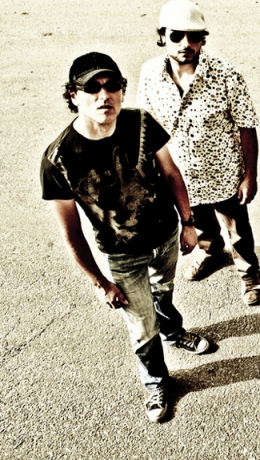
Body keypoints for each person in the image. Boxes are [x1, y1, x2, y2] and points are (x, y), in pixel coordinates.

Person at [41, 52, 211, 423]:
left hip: (166, 234)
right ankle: (156, 382)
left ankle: (173, 331)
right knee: (141, 324)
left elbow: (171, 173)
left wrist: (188, 223)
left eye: (112, 86)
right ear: (73, 95)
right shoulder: (58, 159)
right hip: (122, 255)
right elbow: (71, 233)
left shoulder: (142, 123)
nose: (104, 96)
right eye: (92, 88)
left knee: (163, 289)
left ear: (122, 89)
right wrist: (100, 283)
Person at [137, 0, 260, 306]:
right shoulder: (150, 74)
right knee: (199, 220)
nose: (186, 44)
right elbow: (145, 126)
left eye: (194, 36)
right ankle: (210, 249)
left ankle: (249, 272)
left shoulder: (225, 74)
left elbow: (247, 126)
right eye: (176, 35)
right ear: (163, 35)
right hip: (180, 176)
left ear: (202, 39)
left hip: (224, 173)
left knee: (237, 230)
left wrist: (250, 175)